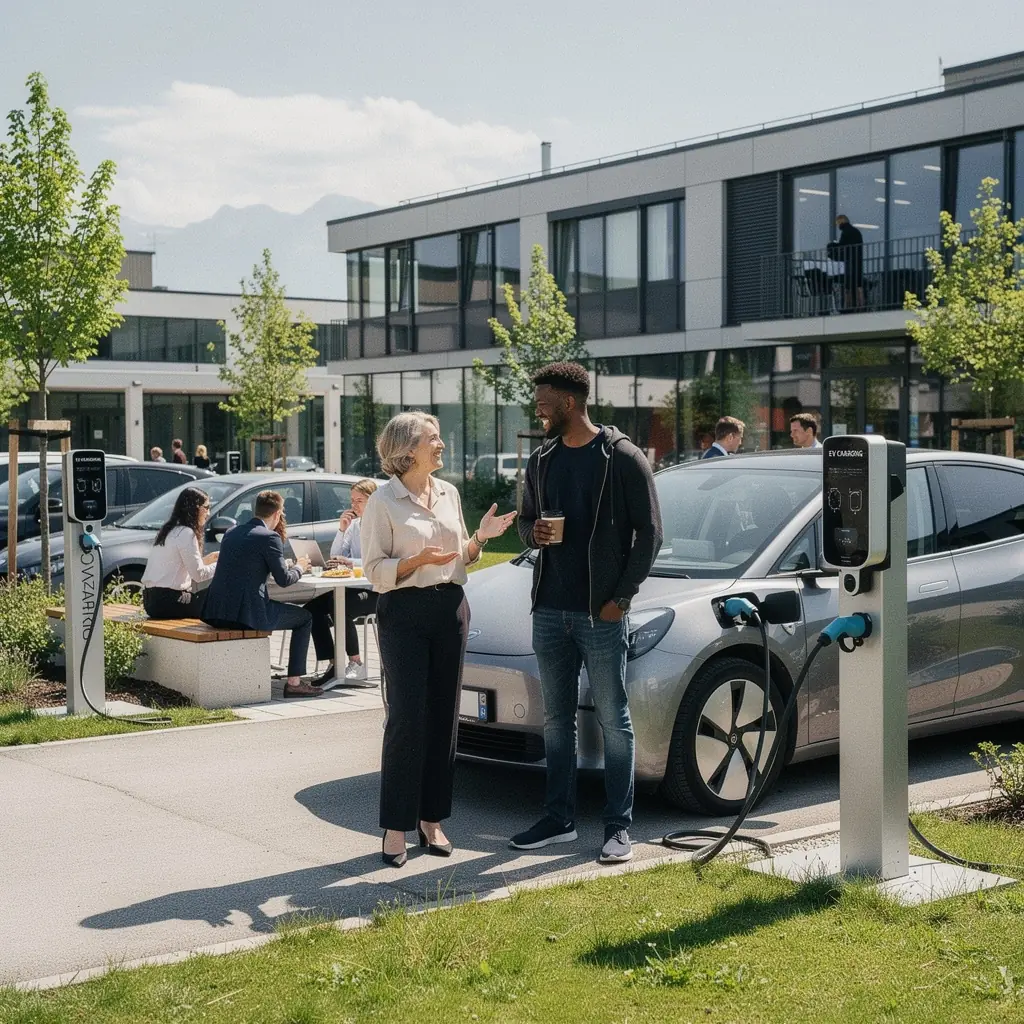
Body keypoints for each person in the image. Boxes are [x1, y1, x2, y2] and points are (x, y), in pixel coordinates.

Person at [509, 362, 663, 865]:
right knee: (556, 720)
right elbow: (526, 523)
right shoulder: (542, 459)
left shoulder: (622, 458)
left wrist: (622, 597)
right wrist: (535, 535)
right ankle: (559, 818)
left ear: (569, 402)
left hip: (601, 614)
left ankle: (618, 827)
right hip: (550, 610)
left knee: (615, 722)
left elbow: (650, 534)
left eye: (544, 400)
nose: (538, 408)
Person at [362, 411, 517, 867]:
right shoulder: (382, 502)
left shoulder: (448, 492)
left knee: (445, 717)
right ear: (407, 448)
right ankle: (395, 825)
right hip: (404, 612)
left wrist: (481, 541)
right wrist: (413, 562)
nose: (442, 444)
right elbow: (374, 572)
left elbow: (459, 558)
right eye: (434, 438)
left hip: (451, 609)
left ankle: (432, 820)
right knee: (407, 719)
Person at [202, 489, 324, 698]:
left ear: (255, 510)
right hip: (247, 616)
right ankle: (294, 683)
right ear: (277, 514)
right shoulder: (270, 538)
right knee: (305, 617)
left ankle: (294, 680)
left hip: (216, 611)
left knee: (284, 610)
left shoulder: (232, 532)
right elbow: (284, 580)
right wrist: (300, 566)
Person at [304, 478, 380, 685]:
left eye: (359, 501)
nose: (353, 505)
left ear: (372, 501)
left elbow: (378, 561)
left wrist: (350, 563)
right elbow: (337, 554)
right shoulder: (354, 525)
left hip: (375, 590)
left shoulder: (380, 525)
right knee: (311, 609)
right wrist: (341, 529)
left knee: (339, 606)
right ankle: (334, 662)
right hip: (350, 587)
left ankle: (356, 663)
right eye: (352, 501)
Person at [141, 487, 218, 619]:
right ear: (194, 508)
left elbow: (178, 568)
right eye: (206, 507)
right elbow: (199, 575)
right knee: (219, 592)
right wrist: (220, 564)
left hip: (151, 601)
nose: (208, 512)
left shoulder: (169, 530)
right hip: (169, 602)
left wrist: (208, 560)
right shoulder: (186, 533)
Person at [828, 214, 864, 310]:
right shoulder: (856, 231)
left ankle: (848, 307)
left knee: (848, 286)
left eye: (838, 223)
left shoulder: (846, 232)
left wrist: (831, 246)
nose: (838, 226)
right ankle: (861, 306)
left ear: (841, 222)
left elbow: (842, 246)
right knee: (858, 285)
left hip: (850, 262)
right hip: (858, 261)